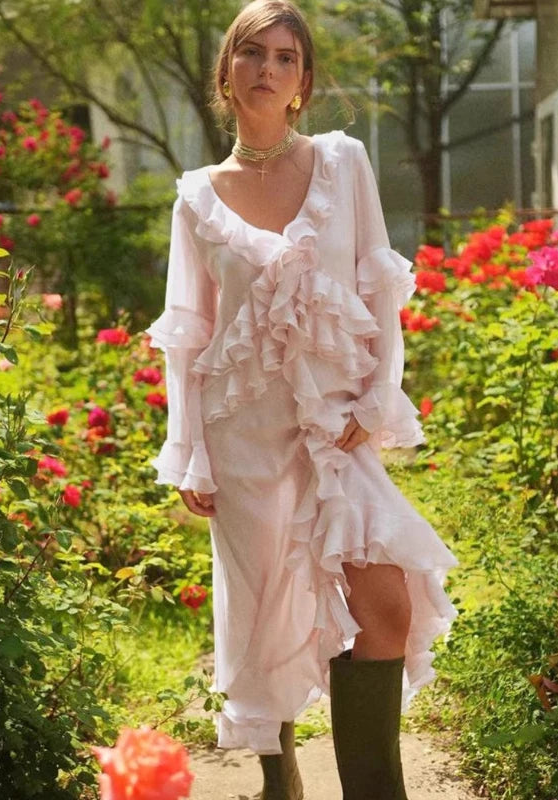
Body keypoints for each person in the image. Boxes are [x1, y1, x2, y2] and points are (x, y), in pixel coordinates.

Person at [145, 1, 459, 797]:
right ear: (227, 73)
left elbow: (379, 284)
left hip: (334, 430)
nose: (267, 69)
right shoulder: (197, 199)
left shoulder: (342, 164)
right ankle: (278, 779)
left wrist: (377, 398)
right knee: (267, 618)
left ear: (303, 83)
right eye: (252, 53)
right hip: (243, 436)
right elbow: (190, 336)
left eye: (285, 58)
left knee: (382, 603)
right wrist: (190, 452)